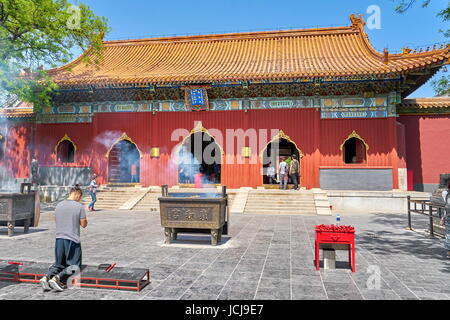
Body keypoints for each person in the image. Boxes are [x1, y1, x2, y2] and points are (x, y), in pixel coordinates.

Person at [39, 185, 87, 292]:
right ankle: (58, 278)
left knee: (59, 264)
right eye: (80, 197)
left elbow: (57, 220)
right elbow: (83, 224)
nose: (80, 199)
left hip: (59, 238)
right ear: (77, 194)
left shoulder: (59, 205)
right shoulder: (79, 206)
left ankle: (46, 277)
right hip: (72, 240)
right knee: (75, 266)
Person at [442, 183, 450, 259]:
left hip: (448, 216)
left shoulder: (445, 193)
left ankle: (449, 252)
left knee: (448, 234)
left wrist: (443, 217)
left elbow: (445, 206)